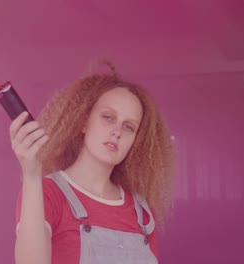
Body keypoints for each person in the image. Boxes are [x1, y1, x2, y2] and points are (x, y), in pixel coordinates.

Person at [10, 60, 175, 264]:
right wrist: (31, 175)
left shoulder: (141, 212)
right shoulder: (47, 193)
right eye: (108, 117)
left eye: (129, 127)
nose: (117, 131)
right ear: (83, 122)